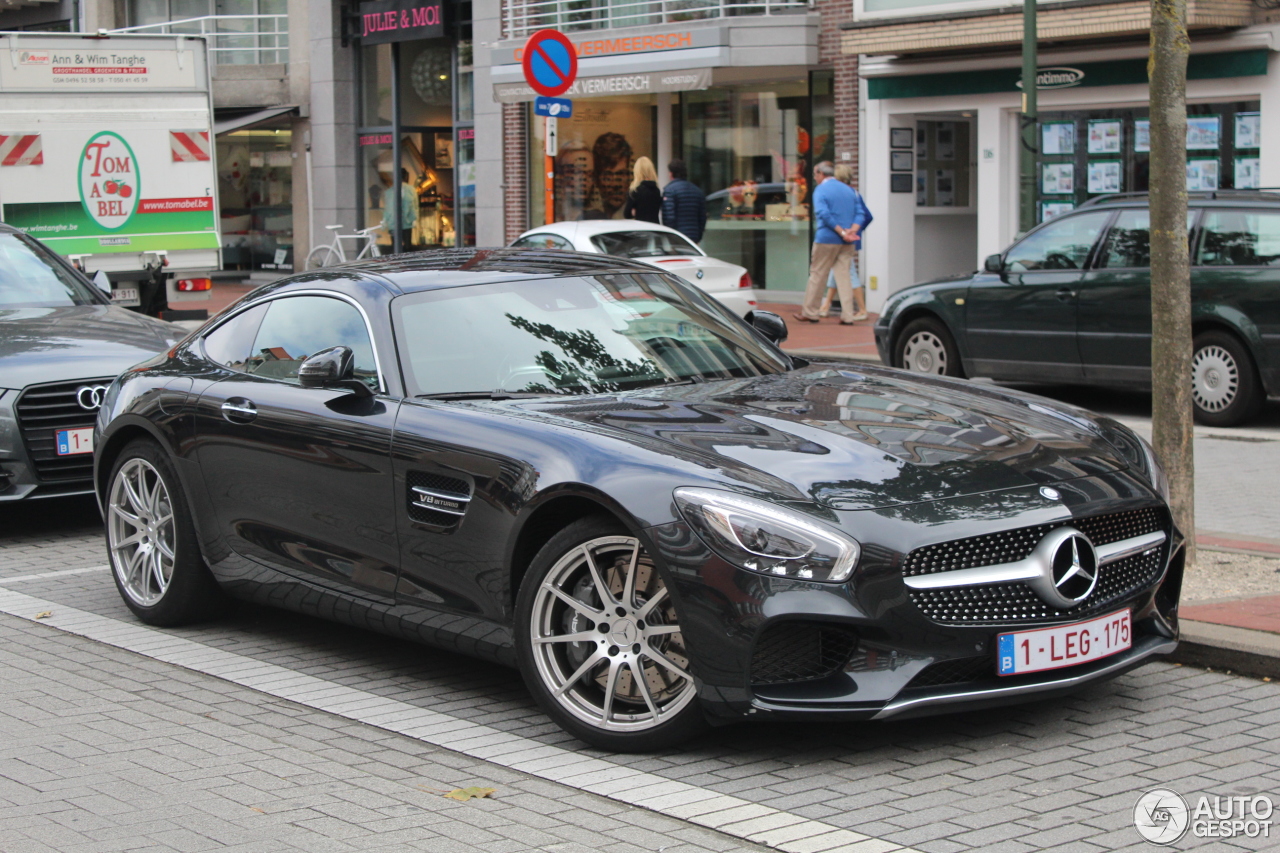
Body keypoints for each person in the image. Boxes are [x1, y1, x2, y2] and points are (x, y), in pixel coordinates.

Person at [794, 161, 872, 325]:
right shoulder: (851, 191)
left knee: (817, 274)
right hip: (847, 242)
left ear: (821, 174)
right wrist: (851, 230)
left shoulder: (821, 189)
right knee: (844, 276)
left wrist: (840, 231)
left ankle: (810, 312)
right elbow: (861, 214)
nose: (815, 178)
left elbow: (823, 214)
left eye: (815, 174)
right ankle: (848, 315)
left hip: (827, 239)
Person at [817, 164, 871, 320]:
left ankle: (862, 309)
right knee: (836, 273)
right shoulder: (849, 192)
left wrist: (853, 231)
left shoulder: (850, 194)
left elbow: (865, 215)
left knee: (849, 273)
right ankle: (826, 304)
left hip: (845, 240)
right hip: (845, 238)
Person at [660, 159, 707, 244]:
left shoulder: (670, 190)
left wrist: (669, 236)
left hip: (677, 237)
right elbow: (702, 217)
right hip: (694, 236)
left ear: (671, 173)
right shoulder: (697, 191)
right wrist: (698, 236)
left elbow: (669, 217)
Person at [591, 132, 634, 218]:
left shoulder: (637, 217)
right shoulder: (590, 217)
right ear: (596, 179)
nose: (615, 184)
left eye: (621, 174)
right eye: (607, 176)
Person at [624, 156, 662, 223]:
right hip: (655, 227)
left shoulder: (635, 190)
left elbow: (627, 214)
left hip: (641, 228)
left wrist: (634, 212)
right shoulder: (656, 190)